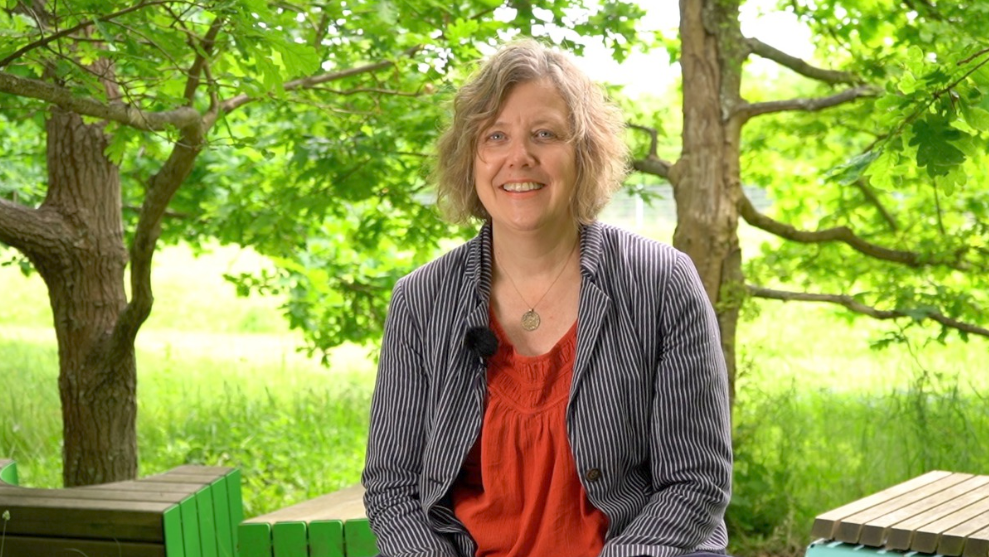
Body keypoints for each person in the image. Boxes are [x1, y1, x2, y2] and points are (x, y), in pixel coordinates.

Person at [362, 39, 732, 557]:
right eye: (495, 136)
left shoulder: (662, 282)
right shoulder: (420, 301)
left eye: (545, 134)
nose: (520, 157)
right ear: (469, 160)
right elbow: (391, 488)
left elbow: (695, 482)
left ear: (585, 153)